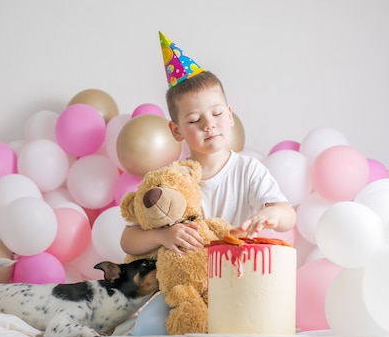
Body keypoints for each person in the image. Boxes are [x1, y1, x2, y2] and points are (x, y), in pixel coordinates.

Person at [120, 32, 297, 258]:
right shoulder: (173, 178)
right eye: (195, 120)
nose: (209, 125)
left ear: (230, 115)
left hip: (233, 275)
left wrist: (271, 213)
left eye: (217, 113)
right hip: (188, 281)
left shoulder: (248, 170)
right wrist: (162, 236)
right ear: (176, 131)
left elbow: (288, 217)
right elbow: (127, 240)